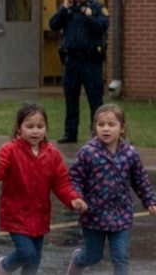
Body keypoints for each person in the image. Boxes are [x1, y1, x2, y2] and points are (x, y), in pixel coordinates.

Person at [0, 103, 87, 275]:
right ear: (19, 128)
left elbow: (61, 183)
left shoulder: (52, 154)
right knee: (27, 253)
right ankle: (4, 266)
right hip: (15, 214)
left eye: (40, 126)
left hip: (40, 215)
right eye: (29, 126)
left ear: (46, 128)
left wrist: (73, 198)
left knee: (34, 261)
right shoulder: (10, 150)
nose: (35, 131)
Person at [66, 103, 156, 275]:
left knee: (121, 257)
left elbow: (140, 179)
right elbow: (75, 177)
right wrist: (77, 197)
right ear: (95, 128)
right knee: (93, 256)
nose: (106, 129)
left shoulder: (130, 153)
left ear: (122, 128)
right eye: (101, 125)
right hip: (93, 215)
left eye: (111, 124)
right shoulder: (88, 152)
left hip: (120, 215)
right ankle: (78, 259)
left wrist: (149, 200)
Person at [49, 0, 109, 143]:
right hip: (71, 62)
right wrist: (64, 8)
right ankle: (70, 133)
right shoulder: (68, 10)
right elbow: (53, 24)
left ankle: (98, 134)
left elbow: (101, 27)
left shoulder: (97, 8)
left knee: (95, 99)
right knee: (70, 98)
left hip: (91, 61)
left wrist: (88, 16)